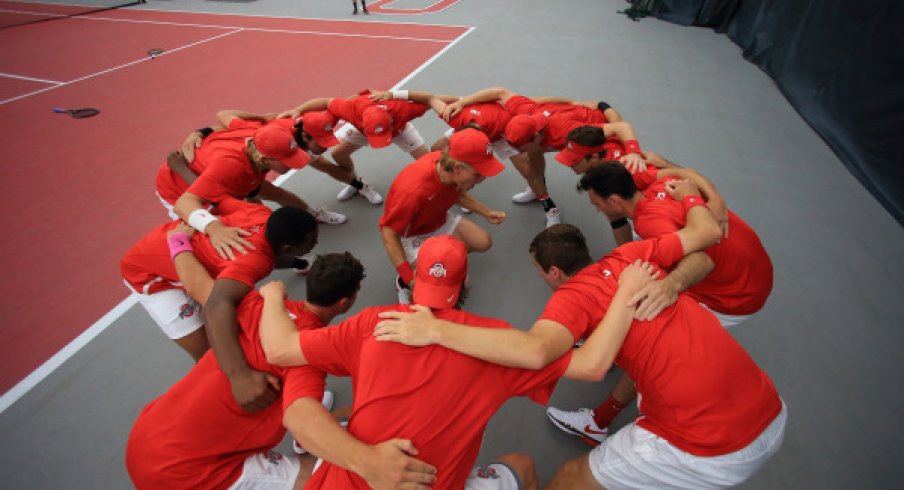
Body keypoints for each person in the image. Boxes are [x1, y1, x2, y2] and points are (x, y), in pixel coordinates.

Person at [376, 182, 786, 489]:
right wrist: (692, 202)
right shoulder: (631, 255)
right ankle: (602, 420)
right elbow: (705, 238)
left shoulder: (571, 300)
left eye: (538, 270)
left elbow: (539, 352)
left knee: (571, 476)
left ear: (554, 273)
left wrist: (434, 329)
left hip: (711, 444)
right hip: (768, 408)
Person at [257, 234, 661, 489]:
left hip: (343, 479)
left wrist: (273, 296)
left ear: (415, 280)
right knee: (520, 465)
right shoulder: (502, 344)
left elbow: (279, 349)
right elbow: (591, 364)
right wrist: (627, 294)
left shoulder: (370, 324)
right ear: (466, 283)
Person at [127, 247, 425, 489]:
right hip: (186, 474)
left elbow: (205, 290)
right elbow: (303, 421)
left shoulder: (255, 302)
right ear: (346, 302)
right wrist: (370, 462)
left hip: (147, 436)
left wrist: (180, 241)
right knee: (326, 478)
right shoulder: (308, 353)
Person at [120, 198, 318, 360]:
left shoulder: (261, 214)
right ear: (288, 248)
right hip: (149, 273)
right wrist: (239, 373)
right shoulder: (255, 260)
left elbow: (220, 202)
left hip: (172, 236)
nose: (316, 243)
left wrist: (212, 227)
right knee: (211, 355)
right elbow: (211, 298)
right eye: (312, 241)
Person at [155, 116, 343, 263]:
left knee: (276, 195)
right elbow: (185, 203)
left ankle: (314, 215)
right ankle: (294, 262)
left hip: (228, 174)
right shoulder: (229, 168)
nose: (293, 165)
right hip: (179, 187)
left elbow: (222, 120)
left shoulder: (261, 134)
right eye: (287, 161)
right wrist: (214, 227)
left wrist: (199, 132)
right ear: (265, 159)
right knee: (234, 232)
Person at [442, 86, 631, 227]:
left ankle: (631, 218)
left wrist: (635, 153)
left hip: (602, 133)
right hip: (553, 135)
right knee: (533, 157)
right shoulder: (527, 112)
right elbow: (504, 92)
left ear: (536, 137)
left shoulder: (569, 132)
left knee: (612, 178)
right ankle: (540, 194)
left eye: (520, 146)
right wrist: (462, 102)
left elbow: (620, 127)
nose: (517, 150)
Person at [379, 128, 506, 304]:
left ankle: (432, 260)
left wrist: (486, 212)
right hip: (412, 236)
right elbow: (388, 233)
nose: (483, 179)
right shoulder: (412, 192)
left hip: (438, 219)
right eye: (478, 174)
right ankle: (402, 282)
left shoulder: (450, 170)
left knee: (483, 242)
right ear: (458, 168)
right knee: (437, 282)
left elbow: (456, 193)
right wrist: (409, 278)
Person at [279, 90, 434, 205]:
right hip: (364, 130)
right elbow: (327, 102)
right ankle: (357, 184)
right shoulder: (350, 110)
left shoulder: (401, 110)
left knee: (430, 164)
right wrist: (298, 110)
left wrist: (395, 94)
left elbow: (432, 100)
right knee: (338, 153)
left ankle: (454, 191)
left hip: (399, 132)